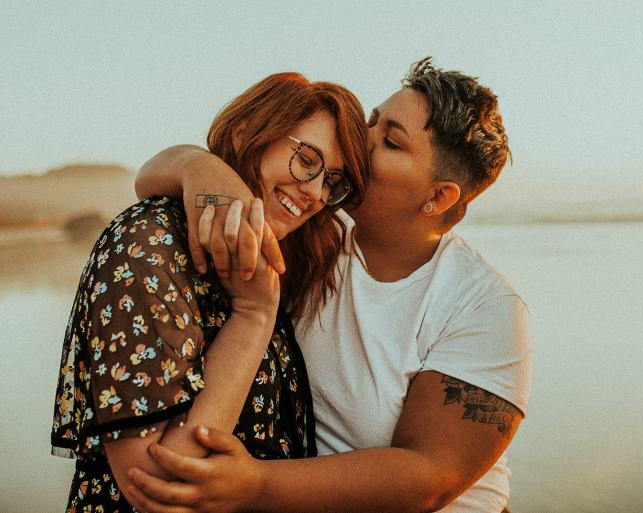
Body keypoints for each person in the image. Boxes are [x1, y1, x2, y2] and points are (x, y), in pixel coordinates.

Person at [127, 58, 532, 513]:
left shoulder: (485, 306)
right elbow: (148, 178)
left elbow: (429, 475)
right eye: (372, 120)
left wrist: (257, 484)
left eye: (391, 141)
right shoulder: (316, 226)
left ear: (438, 197)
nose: (363, 139)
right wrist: (197, 167)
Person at [50, 72, 369, 512]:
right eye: (306, 159)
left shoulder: (276, 258)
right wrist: (254, 315)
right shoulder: (149, 242)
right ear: (246, 133)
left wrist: (188, 163)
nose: (314, 192)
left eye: (332, 181)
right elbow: (157, 484)